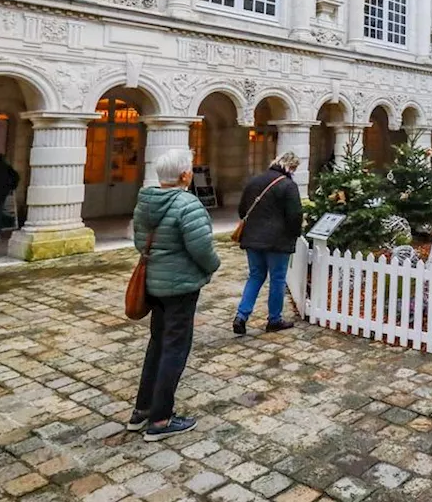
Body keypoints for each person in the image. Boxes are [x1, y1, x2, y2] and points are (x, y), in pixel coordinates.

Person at [127, 148, 220, 442]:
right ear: (185, 175)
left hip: (154, 283)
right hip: (179, 287)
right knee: (175, 349)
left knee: (157, 344)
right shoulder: (187, 205)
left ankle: (142, 409)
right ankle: (160, 419)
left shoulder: (146, 202)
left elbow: (139, 241)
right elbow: (202, 248)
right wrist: (214, 265)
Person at [232, 152, 304, 336]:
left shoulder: (254, 181)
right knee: (277, 279)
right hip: (277, 241)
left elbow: (242, 210)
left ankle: (241, 315)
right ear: (291, 167)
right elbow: (295, 216)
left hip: (253, 238)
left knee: (255, 276)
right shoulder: (288, 186)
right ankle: (274, 319)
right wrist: (295, 234)